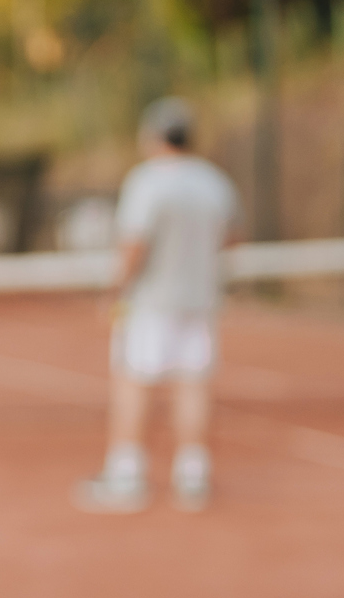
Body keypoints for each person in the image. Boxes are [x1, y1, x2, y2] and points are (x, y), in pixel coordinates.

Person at [76, 97, 238, 513]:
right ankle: (192, 473)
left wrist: (114, 290)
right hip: (200, 300)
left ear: (152, 136)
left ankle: (127, 474)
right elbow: (231, 237)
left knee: (133, 381)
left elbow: (134, 244)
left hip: (151, 303)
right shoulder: (214, 182)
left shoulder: (147, 181)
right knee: (193, 382)